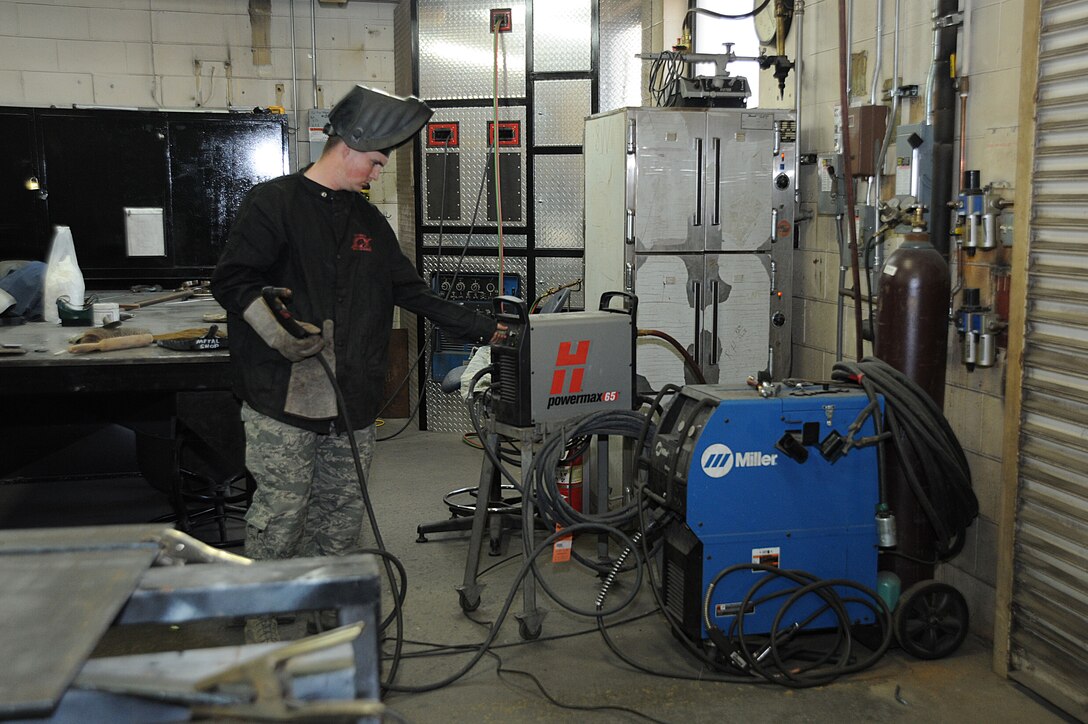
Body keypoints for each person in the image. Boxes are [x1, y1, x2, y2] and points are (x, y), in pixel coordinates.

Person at [211, 85, 500, 643]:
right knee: (281, 521)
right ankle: (263, 632)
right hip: (284, 400)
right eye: (374, 161)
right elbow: (234, 280)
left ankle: (324, 624)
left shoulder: (368, 222)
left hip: (354, 404)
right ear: (348, 146)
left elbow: (410, 291)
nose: (376, 172)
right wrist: (278, 331)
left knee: (340, 524)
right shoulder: (273, 205)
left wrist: (492, 328)